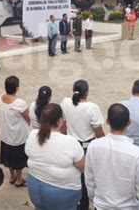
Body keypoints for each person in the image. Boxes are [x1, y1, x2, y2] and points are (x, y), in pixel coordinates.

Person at [85, 103, 139, 209]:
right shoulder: (137, 154)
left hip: (101, 205)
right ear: (128, 123)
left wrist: (94, 198)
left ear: (107, 121)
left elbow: (89, 178)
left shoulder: (93, 146)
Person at [25, 103, 85, 210]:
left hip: (34, 188)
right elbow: (83, 167)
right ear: (60, 121)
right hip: (62, 193)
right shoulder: (70, 142)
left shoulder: (33, 134)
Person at [60, 80, 105, 210]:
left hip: (70, 144)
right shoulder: (92, 107)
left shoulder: (66, 102)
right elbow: (98, 132)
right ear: (87, 93)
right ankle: (83, 205)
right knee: (85, 178)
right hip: (85, 147)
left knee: (71, 175)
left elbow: (64, 123)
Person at [0, 76, 30, 187]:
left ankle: (12, 176)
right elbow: (27, 117)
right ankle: (19, 179)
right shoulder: (19, 103)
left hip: (5, 134)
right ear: (17, 88)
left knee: (8, 157)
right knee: (18, 159)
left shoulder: (1, 98)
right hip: (17, 135)